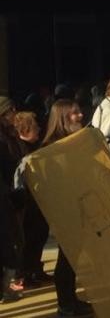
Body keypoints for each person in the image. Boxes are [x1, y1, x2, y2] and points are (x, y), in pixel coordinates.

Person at [39, 99, 93, 316]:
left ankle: (71, 300)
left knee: (72, 258)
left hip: (78, 205)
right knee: (66, 258)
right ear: (62, 118)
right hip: (64, 209)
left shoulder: (73, 141)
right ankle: (65, 305)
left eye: (79, 112)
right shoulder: (53, 146)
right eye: (74, 114)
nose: (80, 116)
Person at [12, 111, 53, 289]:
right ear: (26, 129)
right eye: (35, 127)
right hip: (26, 200)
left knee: (40, 234)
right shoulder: (18, 147)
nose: (39, 129)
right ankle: (25, 273)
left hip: (37, 199)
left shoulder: (34, 146)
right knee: (29, 237)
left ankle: (35, 269)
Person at [0, 97, 25, 304]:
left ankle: (7, 288)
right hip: (4, 196)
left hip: (10, 196)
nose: (14, 113)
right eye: (9, 111)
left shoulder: (9, 135)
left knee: (12, 242)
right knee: (7, 243)